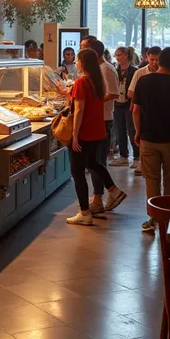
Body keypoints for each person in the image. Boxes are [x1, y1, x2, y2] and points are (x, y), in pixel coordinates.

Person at [132, 47, 170, 233]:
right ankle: (168, 218)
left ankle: (153, 218)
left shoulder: (143, 81)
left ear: (159, 61)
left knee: (151, 179)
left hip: (148, 138)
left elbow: (136, 110)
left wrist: (138, 132)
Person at [65, 48, 110, 226]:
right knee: (92, 163)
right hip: (97, 131)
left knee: (77, 172)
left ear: (83, 63)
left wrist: (75, 135)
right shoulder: (97, 81)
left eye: (77, 59)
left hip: (84, 133)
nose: (76, 62)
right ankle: (113, 189)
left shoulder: (81, 82)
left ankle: (84, 212)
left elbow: (80, 110)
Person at [86, 40, 127, 214]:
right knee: (94, 161)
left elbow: (114, 93)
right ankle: (99, 196)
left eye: (83, 49)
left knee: (96, 161)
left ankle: (103, 196)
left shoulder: (107, 70)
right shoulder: (97, 70)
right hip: (97, 119)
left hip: (103, 119)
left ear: (94, 53)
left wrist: (93, 102)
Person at [112, 46, 140, 170]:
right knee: (120, 130)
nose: (117, 58)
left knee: (132, 130)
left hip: (129, 104)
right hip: (117, 104)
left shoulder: (134, 71)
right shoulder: (115, 70)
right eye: (116, 55)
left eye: (120, 55)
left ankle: (137, 157)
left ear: (126, 56)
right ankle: (123, 156)